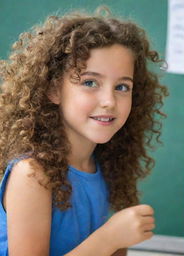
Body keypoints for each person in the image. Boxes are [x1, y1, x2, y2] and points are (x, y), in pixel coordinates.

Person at [0, 6, 168, 256]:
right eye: (90, 83)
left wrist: (115, 242)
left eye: (122, 87)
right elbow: (104, 243)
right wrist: (109, 237)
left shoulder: (104, 164)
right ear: (54, 90)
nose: (109, 101)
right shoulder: (32, 175)